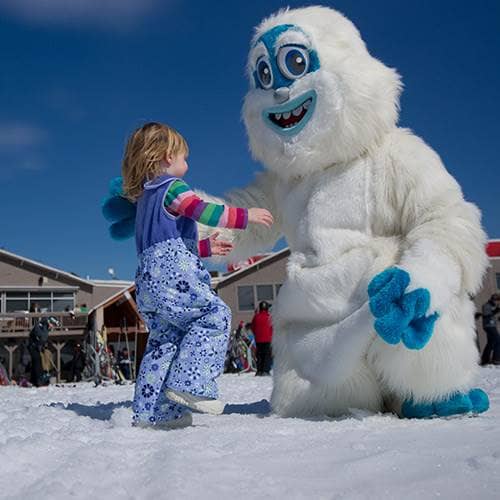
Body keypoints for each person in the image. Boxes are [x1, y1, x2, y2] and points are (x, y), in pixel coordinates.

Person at [121, 122, 273, 428]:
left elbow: (167, 242)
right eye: (183, 157)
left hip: (149, 279)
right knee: (213, 316)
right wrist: (246, 216)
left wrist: (204, 247)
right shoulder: (172, 187)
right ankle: (192, 385)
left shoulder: (144, 202)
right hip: (172, 272)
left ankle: (153, 412)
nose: (186, 164)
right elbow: (201, 210)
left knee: (166, 339)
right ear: (166, 157)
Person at [28, 317, 58, 387]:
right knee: (37, 362)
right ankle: (38, 380)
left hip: (37, 347)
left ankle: (34, 380)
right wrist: (41, 343)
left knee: (37, 361)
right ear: (50, 322)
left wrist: (43, 346)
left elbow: (42, 339)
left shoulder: (45, 327)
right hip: (32, 346)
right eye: (53, 325)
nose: (53, 327)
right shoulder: (41, 325)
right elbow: (42, 337)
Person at [251, 301, 273, 376]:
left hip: (258, 339)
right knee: (267, 355)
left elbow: (253, 327)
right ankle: (265, 370)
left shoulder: (256, 317)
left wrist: (256, 334)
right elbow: (272, 328)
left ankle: (259, 370)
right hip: (267, 339)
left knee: (259, 355)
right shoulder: (269, 317)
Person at [481, 293, 500, 365]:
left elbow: (493, 317)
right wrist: (496, 311)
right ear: (493, 299)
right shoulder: (486, 305)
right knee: (498, 340)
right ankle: (496, 359)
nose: (497, 302)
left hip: (492, 326)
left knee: (490, 343)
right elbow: (486, 315)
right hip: (488, 326)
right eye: (497, 300)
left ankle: (485, 360)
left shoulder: (493, 306)